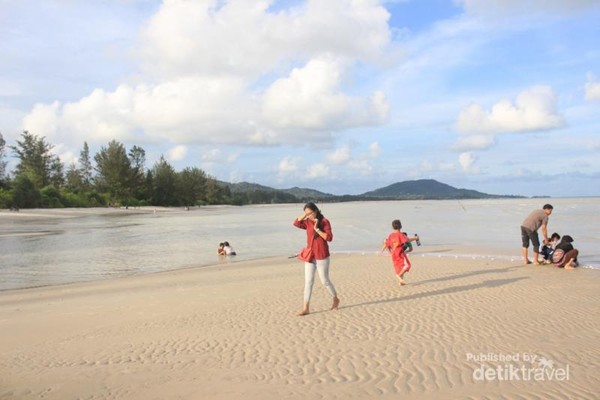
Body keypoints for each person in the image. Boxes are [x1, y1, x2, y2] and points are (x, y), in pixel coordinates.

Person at [293, 202, 340, 316]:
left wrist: (317, 229)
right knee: (308, 282)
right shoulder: (307, 221)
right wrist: (305, 215)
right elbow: (296, 223)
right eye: (306, 214)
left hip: (322, 255)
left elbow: (329, 238)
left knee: (325, 281)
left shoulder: (324, 221)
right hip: (310, 256)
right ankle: (306, 308)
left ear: (316, 210)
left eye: (310, 213)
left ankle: (335, 298)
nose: (308, 216)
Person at [381, 220, 419, 286]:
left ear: (392, 227)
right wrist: (416, 238)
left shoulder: (391, 235)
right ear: (401, 226)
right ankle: (399, 275)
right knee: (407, 265)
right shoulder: (400, 235)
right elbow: (407, 239)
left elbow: (387, 244)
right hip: (400, 253)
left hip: (394, 254)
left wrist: (390, 252)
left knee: (399, 268)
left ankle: (400, 282)